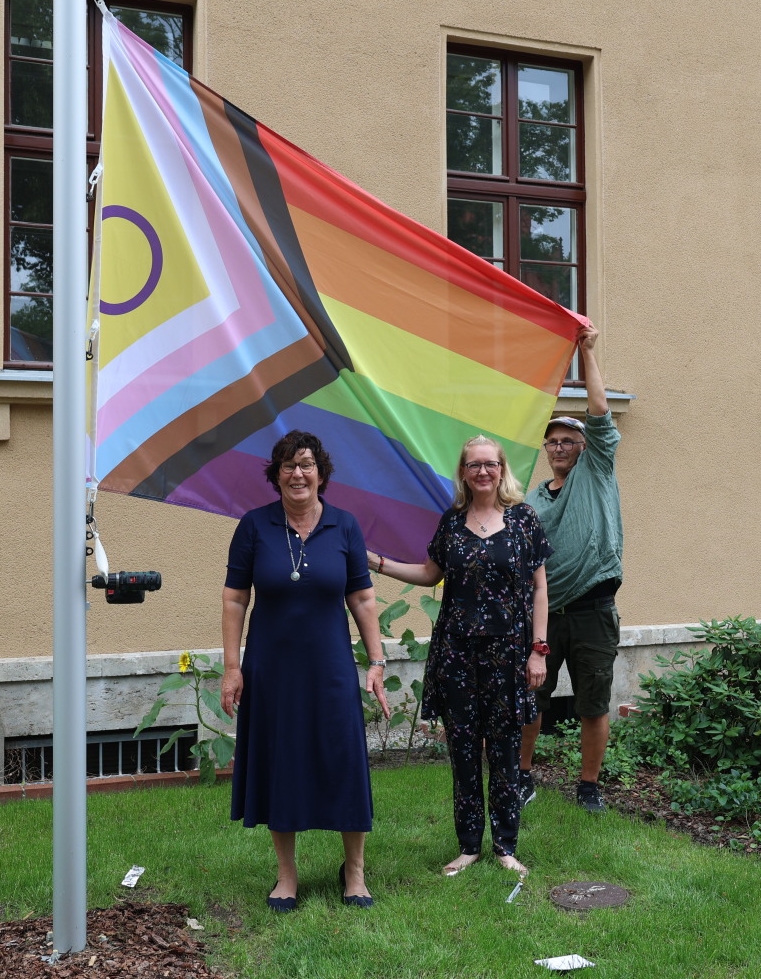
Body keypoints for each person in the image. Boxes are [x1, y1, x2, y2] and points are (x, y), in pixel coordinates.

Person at [219, 431, 390, 912]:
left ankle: (354, 871)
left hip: (331, 666)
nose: (298, 474)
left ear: (322, 472)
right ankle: (286, 875)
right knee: (281, 759)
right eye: (288, 466)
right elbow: (235, 598)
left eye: (307, 464)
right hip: (272, 668)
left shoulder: (345, 525)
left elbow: (362, 597)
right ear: (275, 475)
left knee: (343, 758)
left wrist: (376, 661)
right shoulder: (254, 526)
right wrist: (233, 667)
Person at [368, 436, 550, 876]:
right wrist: (376, 562)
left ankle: (506, 847)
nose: (483, 472)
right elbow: (431, 573)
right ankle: (469, 846)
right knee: (464, 752)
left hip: (508, 654)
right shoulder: (451, 523)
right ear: (464, 472)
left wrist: (538, 650)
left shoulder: (525, 520)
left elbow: (540, 586)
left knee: (505, 752)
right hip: (457, 655)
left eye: (490, 464)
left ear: (502, 469)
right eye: (474, 465)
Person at [519, 324, 623, 814]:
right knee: (531, 698)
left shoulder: (597, 470)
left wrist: (586, 353)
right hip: (543, 614)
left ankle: (588, 786)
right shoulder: (533, 498)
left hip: (592, 610)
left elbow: (600, 414)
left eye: (568, 440)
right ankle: (521, 776)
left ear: (584, 447)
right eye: (552, 442)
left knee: (592, 703)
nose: (559, 447)